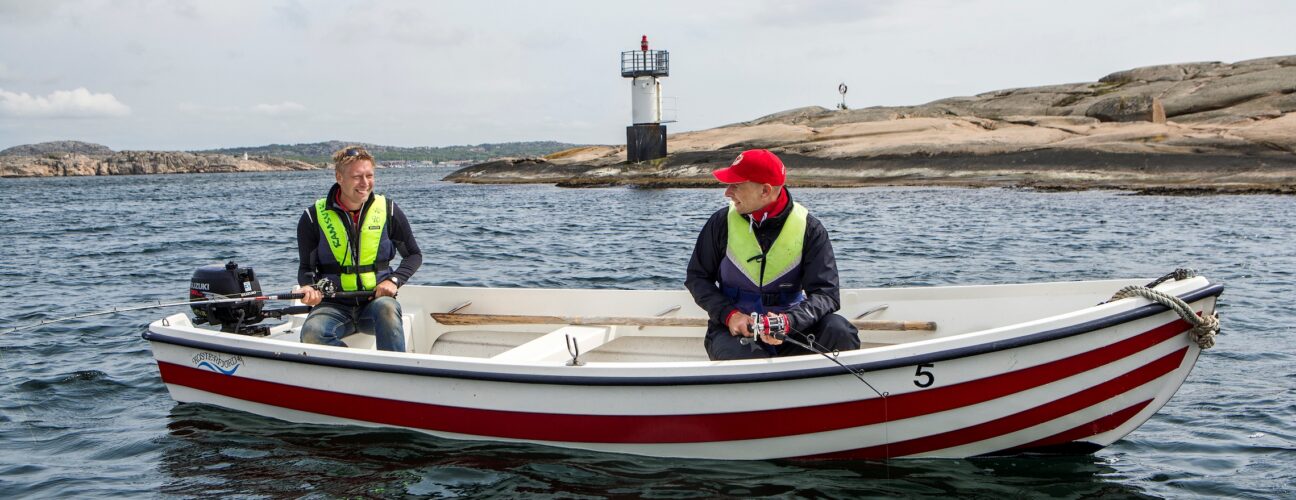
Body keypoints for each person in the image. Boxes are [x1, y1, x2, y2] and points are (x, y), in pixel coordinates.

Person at [685, 149, 860, 360]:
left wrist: (789, 322)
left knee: (840, 331)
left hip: (793, 328)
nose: (727, 192)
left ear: (765, 191)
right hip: (733, 332)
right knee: (744, 361)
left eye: (736, 185)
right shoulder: (719, 223)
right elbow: (697, 278)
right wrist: (730, 315)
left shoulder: (810, 229)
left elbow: (826, 293)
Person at [293, 146, 422, 352]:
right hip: (332, 305)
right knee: (312, 333)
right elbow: (306, 267)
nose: (365, 183)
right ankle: (357, 369)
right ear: (339, 177)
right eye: (357, 176)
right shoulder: (312, 217)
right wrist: (308, 286)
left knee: (388, 308)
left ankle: (394, 373)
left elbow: (414, 256)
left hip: (375, 303)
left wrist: (394, 280)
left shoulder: (389, 210)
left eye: (369, 175)